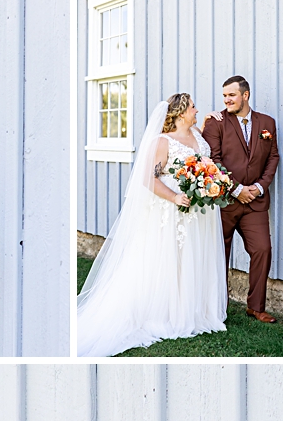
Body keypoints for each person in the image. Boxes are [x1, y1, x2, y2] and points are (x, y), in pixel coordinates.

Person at [76, 96, 229, 356]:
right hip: (172, 210)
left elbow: (203, 161)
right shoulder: (163, 142)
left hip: (198, 212)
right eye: (193, 106)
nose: (197, 109)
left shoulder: (197, 134)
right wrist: (175, 197)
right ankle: (167, 312)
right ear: (181, 113)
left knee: (192, 258)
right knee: (170, 259)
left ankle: (193, 309)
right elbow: (149, 178)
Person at [202, 76, 279, 322]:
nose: (227, 100)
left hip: (255, 202)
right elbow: (213, 161)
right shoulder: (217, 123)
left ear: (245, 95)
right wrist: (236, 189)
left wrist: (259, 187)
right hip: (225, 201)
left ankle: (255, 307)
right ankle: (216, 307)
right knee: (219, 255)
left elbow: (273, 157)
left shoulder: (267, 123)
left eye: (231, 95)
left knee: (262, 249)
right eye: (224, 96)